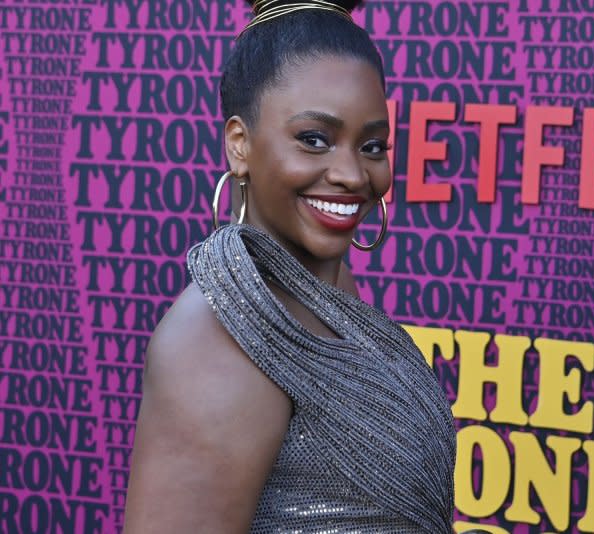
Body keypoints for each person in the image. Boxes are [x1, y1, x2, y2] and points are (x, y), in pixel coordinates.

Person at [122, 0, 457, 532]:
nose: (351, 174)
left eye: (372, 145)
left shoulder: (326, 289)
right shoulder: (216, 339)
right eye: (314, 139)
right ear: (240, 145)